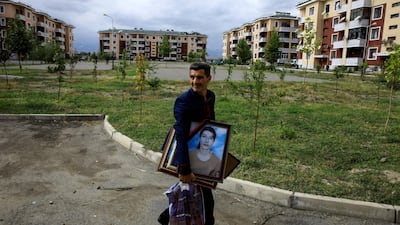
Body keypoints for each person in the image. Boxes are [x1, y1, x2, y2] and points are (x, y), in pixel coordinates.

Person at [158, 62, 216, 225]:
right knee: (205, 199)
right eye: (192, 77)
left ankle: (166, 217)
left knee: (191, 192)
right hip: (186, 154)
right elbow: (181, 135)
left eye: (199, 77)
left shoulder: (210, 96)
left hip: (200, 150)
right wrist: (184, 169)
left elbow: (211, 123)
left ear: (208, 78)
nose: (195, 81)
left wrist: (217, 148)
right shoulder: (184, 101)